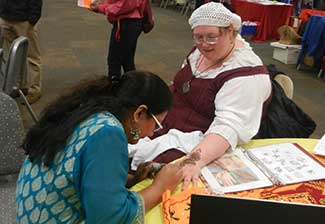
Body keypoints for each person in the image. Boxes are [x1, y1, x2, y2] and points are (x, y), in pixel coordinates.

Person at [129, 2, 272, 189]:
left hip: (200, 139)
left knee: (145, 176)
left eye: (212, 37)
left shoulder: (246, 74)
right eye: (198, 37)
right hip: (167, 121)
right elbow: (179, 85)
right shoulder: (199, 52)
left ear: (231, 32)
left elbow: (228, 127)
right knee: (123, 135)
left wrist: (194, 160)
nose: (204, 44)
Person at [16, 71, 183, 223]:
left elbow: (80, 174)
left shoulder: (90, 111)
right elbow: (110, 218)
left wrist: (133, 180)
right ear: (139, 113)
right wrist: (161, 187)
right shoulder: (108, 134)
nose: (152, 134)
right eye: (156, 125)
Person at [90, 0, 146, 81]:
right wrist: (102, 4)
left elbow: (125, 5)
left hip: (126, 23)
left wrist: (100, 7)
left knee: (115, 60)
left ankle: (117, 88)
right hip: (131, 23)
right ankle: (133, 86)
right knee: (127, 59)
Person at [0, 0, 42, 104]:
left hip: (24, 20)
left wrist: (32, 19)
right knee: (13, 56)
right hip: (5, 18)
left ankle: (34, 90)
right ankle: (18, 86)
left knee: (32, 57)